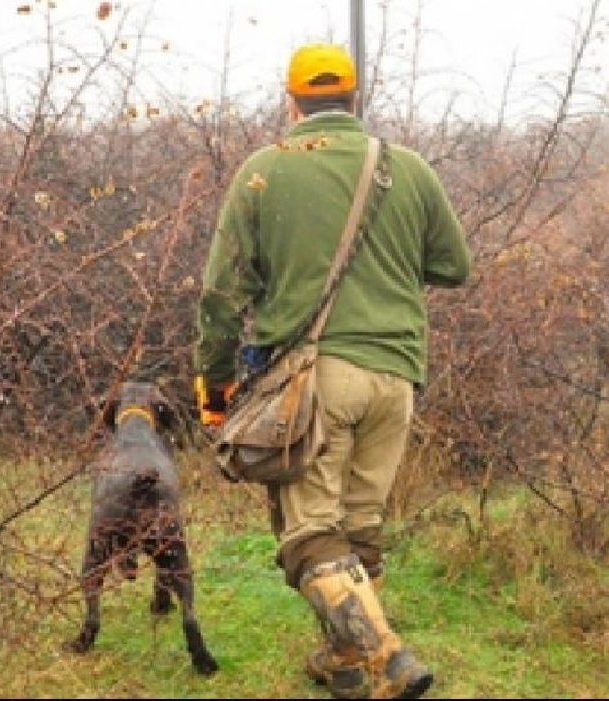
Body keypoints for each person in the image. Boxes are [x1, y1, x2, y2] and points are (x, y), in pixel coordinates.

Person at [192, 42, 472, 699]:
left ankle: (387, 659)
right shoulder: (409, 168)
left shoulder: (264, 172)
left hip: (316, 378)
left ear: (290, 102)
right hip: (396, 377)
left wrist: (215, 385)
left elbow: (220, 294)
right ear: (354, 100)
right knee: (358, 528)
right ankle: (343, 661)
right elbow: (454, 266)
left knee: (310, 533)